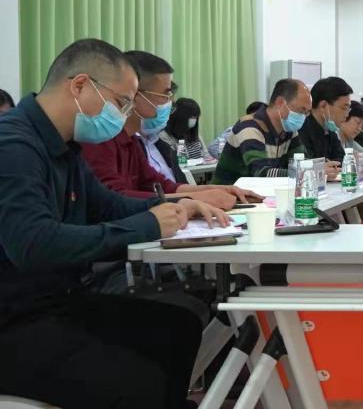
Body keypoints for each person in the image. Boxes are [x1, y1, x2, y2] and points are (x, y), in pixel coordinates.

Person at [0, 38, 229, 408]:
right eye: (121, 102)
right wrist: (149, 225)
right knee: (140, 376)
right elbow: (34, 243)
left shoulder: (64, 146)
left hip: (58, 302)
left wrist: (176, 207)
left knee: (179, 328)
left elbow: (106, 205)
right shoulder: (13, 145)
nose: (124, 115)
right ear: (79, 85)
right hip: (15, 319)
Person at [81, 51, 257, 210]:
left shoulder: (132, 140)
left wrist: (217, 189)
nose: (171, 102)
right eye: (165, 94)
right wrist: (193, 199)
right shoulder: (100, 138)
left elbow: (159, 186)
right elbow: (113, 197)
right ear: (134, 94)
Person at [213, 79, 310, 184]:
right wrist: (302, 174)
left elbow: (301, 163)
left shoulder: (289, 130)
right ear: (280, 103)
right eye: (301, 110)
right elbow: (261, 173)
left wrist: (312, 170)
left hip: (264, 191)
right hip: (229, 192)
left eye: (306, 113)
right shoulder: (249, 127)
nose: (303, 117)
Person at [299, 77, 352, 178]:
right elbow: (304, 166)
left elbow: (342, 160)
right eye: (344, 108)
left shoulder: (330, 130)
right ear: (323, 106)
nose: (347, 114)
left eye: (349, 108)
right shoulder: (302, 129)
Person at [161, 97, 210, 161]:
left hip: (202, 167)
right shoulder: (164, 136)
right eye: (192, 117)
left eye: (196, 117)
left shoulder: (194, 133)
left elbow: (206, 155)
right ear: (180, 117)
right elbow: (172, 161)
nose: (194, 120)